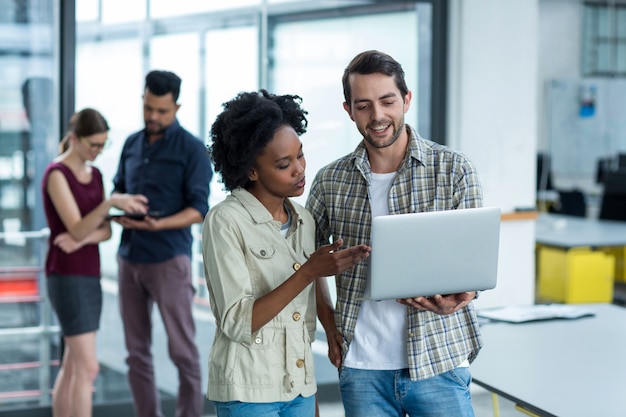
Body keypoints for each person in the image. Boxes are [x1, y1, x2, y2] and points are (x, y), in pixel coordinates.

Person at [306, 50, 484, 417]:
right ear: (349, 110)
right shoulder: (330, 181)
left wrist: (462, 296)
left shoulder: (453, 169)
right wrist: (328, 323)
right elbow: (305, 263)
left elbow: (475, 261)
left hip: (439, 358)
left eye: (387, 101)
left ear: (406, 99)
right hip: (362, 367)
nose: (378, 116)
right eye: (364, 105)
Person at [202, 90, 370, 417]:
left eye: (300, 155)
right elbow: (237, 322)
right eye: (284, 164)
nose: (299, 169)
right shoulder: (225, 221)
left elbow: (311, 288)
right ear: (252, 170)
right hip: (247, 389)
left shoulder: (303, 218)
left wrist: (330, 326)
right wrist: (308, 270)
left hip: (298, 385)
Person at [111, 70, 213, 417]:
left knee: (182, 351)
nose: (153, 116)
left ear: (177, 106)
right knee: (135, 352)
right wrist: (121, 206)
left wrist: (159, 224)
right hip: (129, 258)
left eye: (161, 111)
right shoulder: (131, 143)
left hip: (169, 260)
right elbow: (117, 191)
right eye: (148, 108)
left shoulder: (193, 149)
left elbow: (200, 209)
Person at [42, 108, 148, 417]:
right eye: (93, 145)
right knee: (88, 369)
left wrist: (81, 239)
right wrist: (111, 203)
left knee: (74, 364)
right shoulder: (57, 174)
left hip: (88, 273)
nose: (98, 151)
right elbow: (78, 225)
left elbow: (102, 231)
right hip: (65, 275)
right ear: (74, 138)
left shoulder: (96, 175)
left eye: (103, 145)